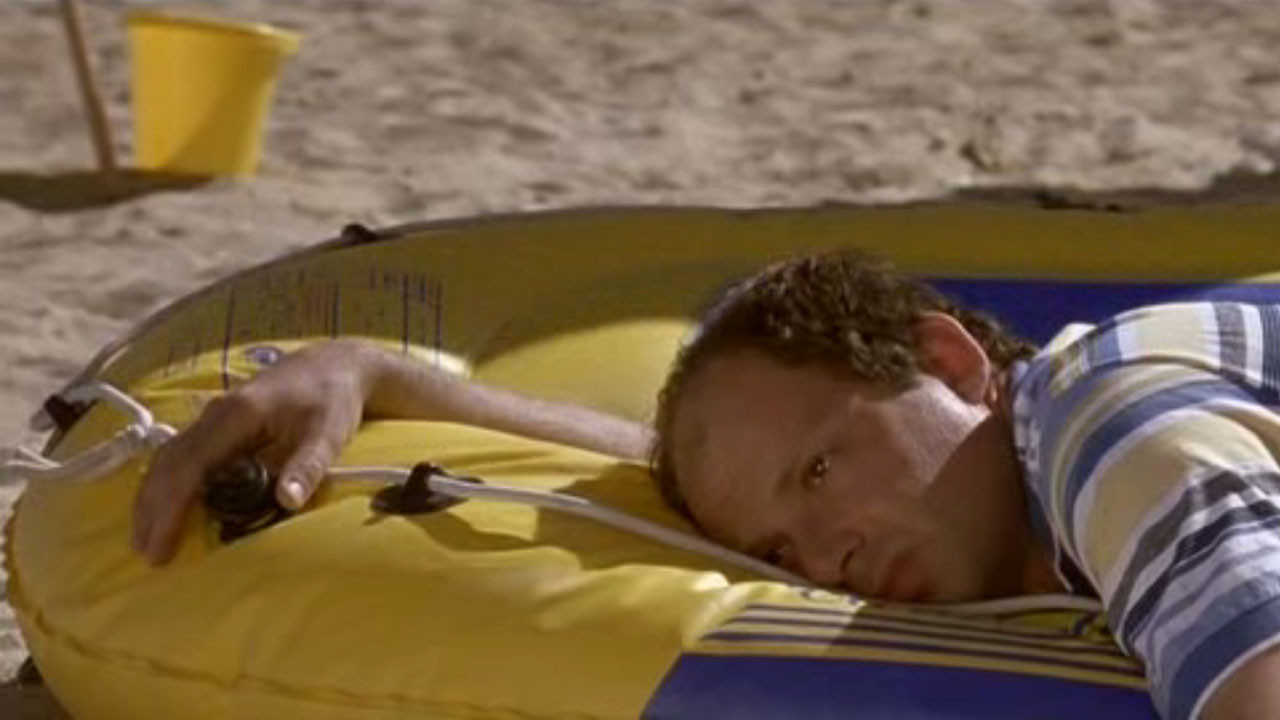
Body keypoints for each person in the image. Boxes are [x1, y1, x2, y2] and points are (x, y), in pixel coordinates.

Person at [131, 251, 1280, 720]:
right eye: (778, 550)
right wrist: (385, 374)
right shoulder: (1002, 462)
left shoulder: (1105, 428)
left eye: (820, 470)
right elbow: (650, 454)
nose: (823, 558)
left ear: (947, 364)